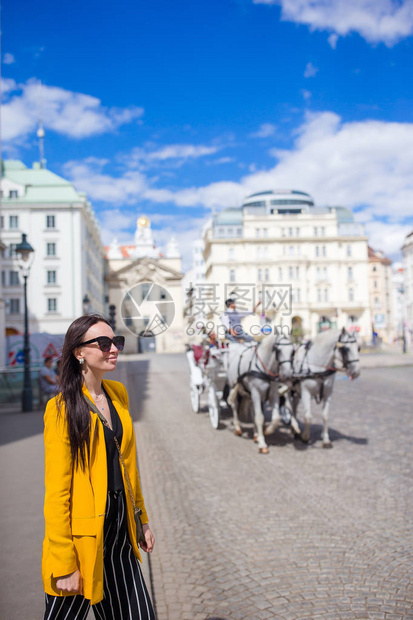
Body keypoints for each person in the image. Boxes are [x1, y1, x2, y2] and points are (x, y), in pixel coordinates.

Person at [42, 314, 156, 619]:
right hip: (82, 542)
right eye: (104, 343)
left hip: (120, 531)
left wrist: (140, 519)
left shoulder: (117, 394)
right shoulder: (62, 409)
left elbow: (129, 467)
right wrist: (65, 561)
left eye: (116, 342)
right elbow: (56, 492)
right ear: (79, 352)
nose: (114, 349)